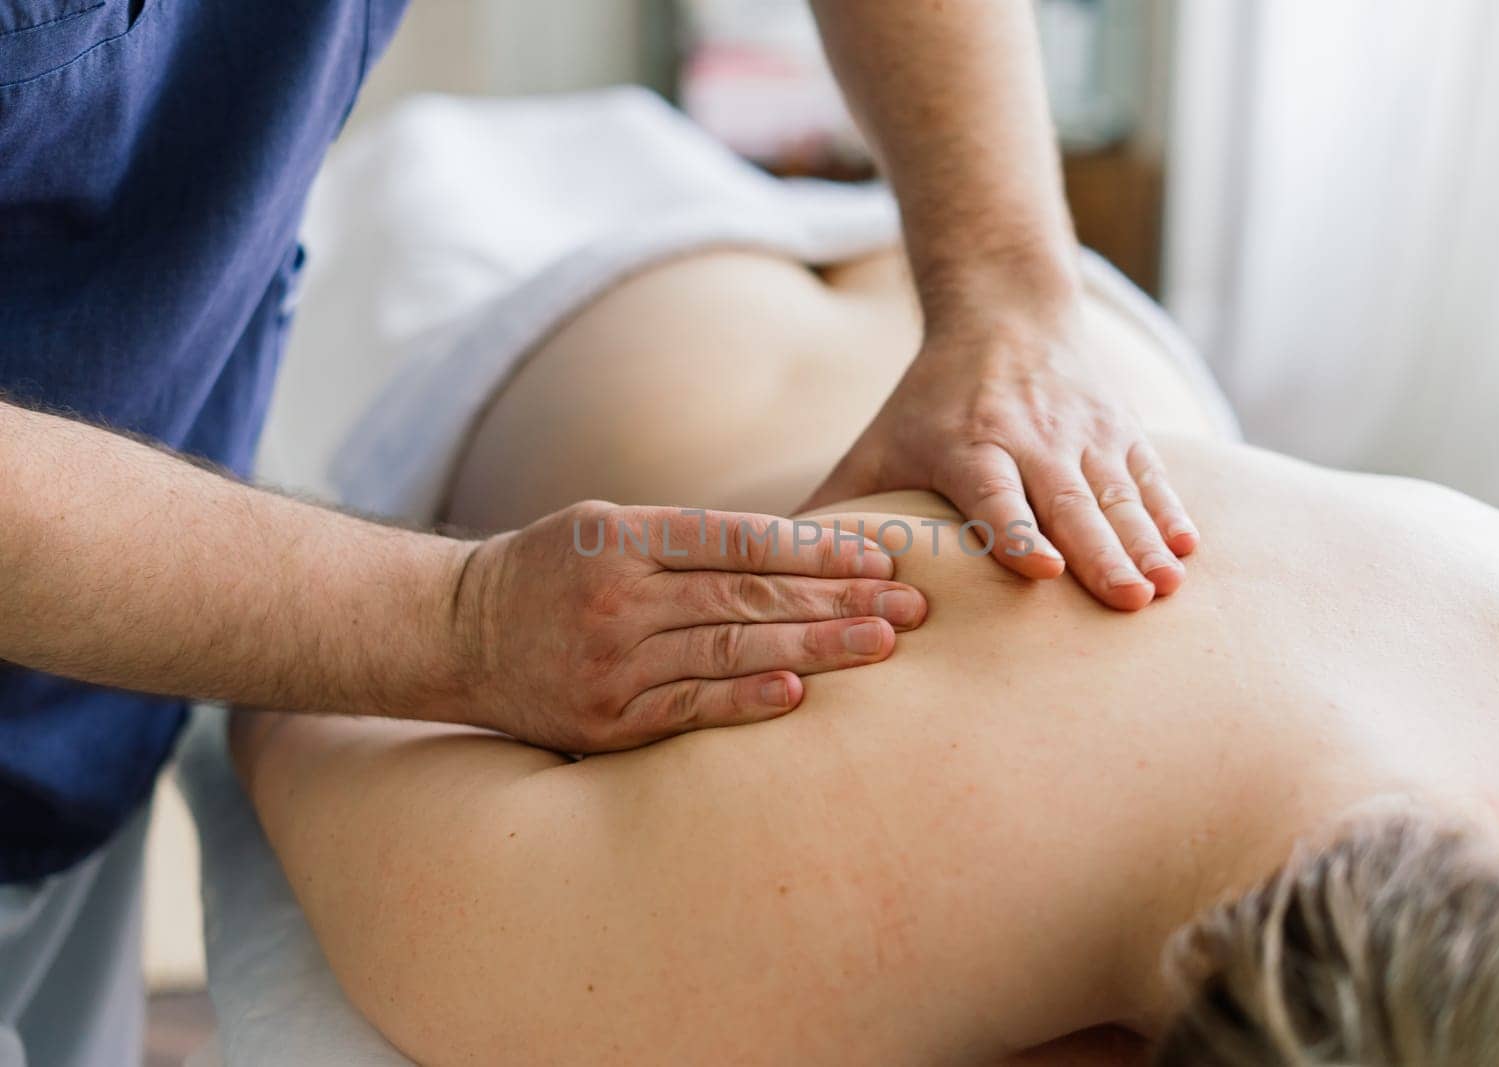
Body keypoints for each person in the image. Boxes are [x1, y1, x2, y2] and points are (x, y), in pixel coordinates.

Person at [0, 3, 1195, 1060]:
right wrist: (451, 624)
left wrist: (1006, 289)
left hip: (1017, 313)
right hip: (516, 298)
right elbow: (283, 720)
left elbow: (287, 730)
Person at [230, 243, 1499, 1065]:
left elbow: (300, 688)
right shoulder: (751, 939)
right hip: (546, 293)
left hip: (1041, 302)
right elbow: (281, 705)